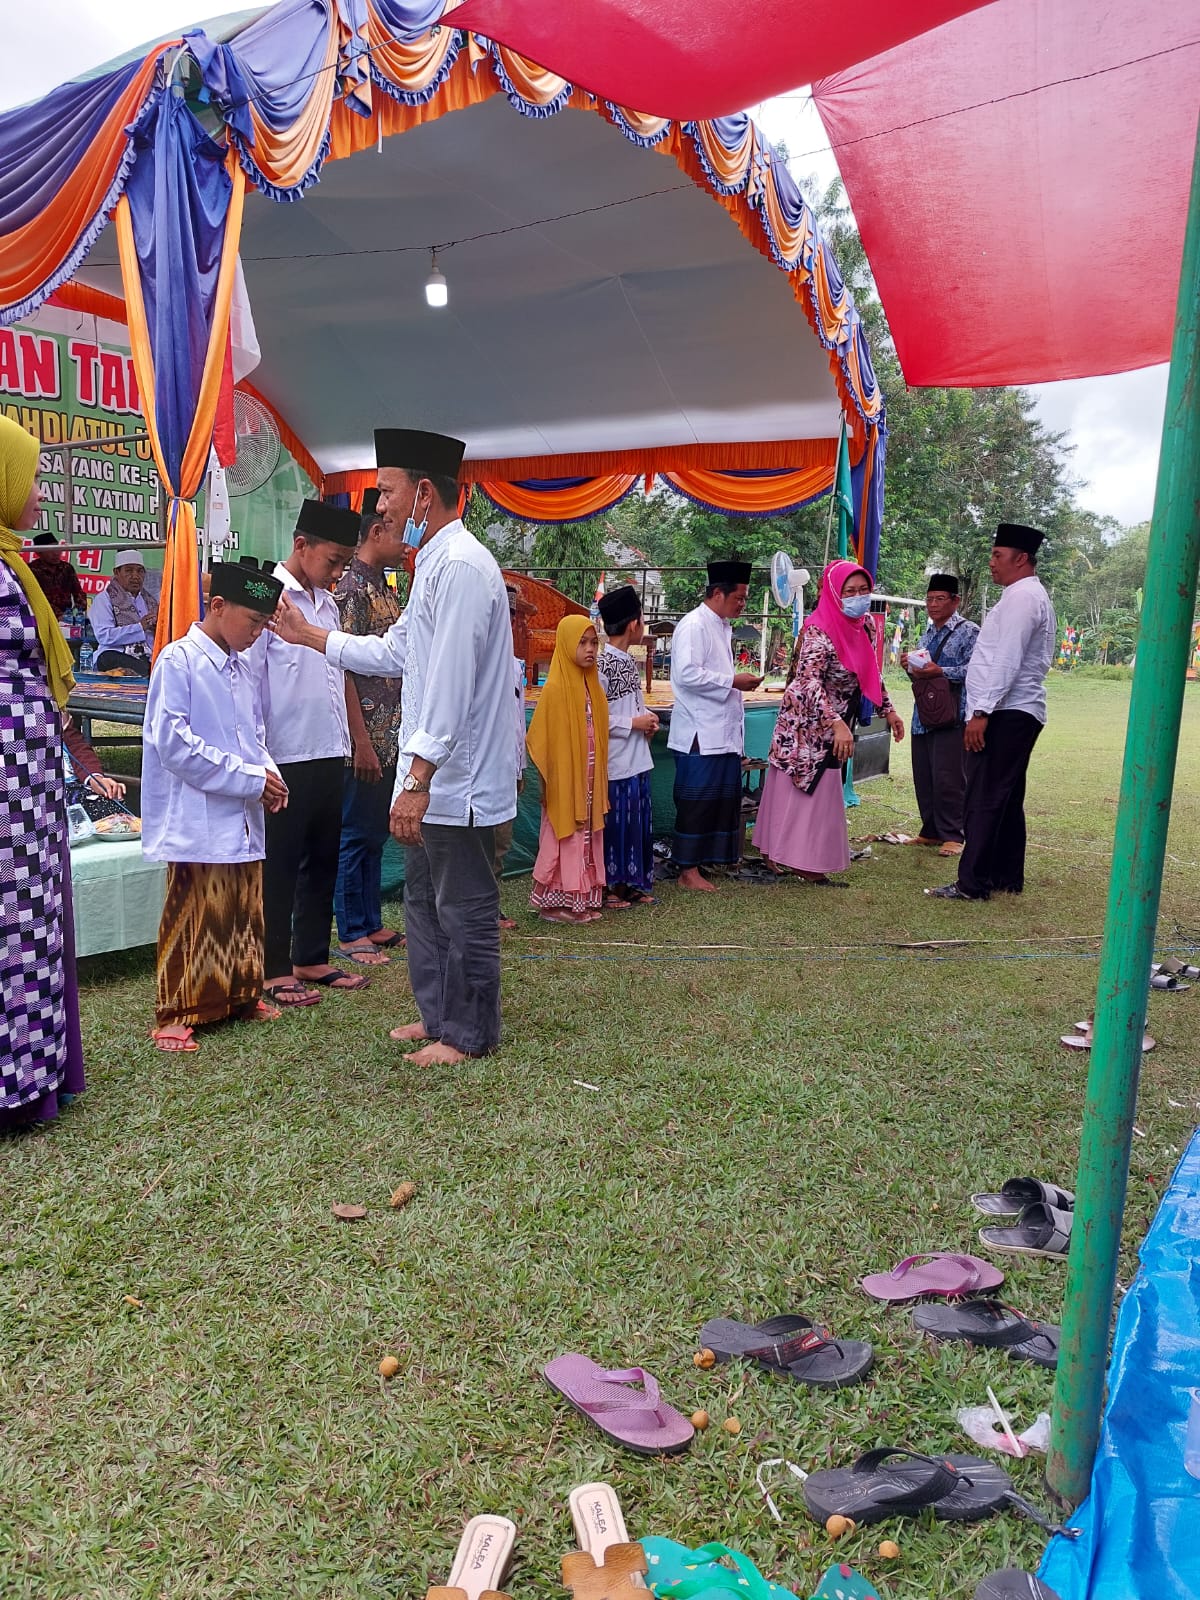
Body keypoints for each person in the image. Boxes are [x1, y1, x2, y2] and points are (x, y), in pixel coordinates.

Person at [271, 429, 516, 1066]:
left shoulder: (461, 567)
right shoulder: (434, 562)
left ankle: (470, 1033)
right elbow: (397, 654)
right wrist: (309, 637)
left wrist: (418, 777)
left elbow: (452, 685)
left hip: (453, 783)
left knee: (463, 908)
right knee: (424, 902)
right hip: (432, 777)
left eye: (386, 491)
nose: (378, 506)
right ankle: (438, 1017)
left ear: (424, 493)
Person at [141, 561, 287, 1052]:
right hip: (197, 813)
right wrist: (250, 778)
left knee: (243, 906)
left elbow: (254, 735)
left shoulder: (242, 668)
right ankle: (176, 1012)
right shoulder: (178, 661)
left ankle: (241, 996)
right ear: (218, 606)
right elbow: (174, 744)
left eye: (263, 624)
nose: (256, 632)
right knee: (195, 909)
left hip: (241, 809)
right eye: (252, 621)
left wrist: (270, 774)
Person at [0, 415, 86, 1130]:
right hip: (7, 795)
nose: (36, 494)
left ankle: (36, 1075)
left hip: (27, 788)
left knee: (32, 926)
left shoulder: (11, 562)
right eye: (27, 476)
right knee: (13, 930)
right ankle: (14, 1084)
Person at [253, 501, 368, 1004]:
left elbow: (337, 673)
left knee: (323, 857)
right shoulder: (265, 599)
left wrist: (355, 739)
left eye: (346, 562)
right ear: (301, 546)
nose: (340, 572)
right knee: (280, 862)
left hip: (328, 748)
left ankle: (311, 956)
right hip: (283, 751)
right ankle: (273, 967)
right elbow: (251, 681)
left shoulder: (330, 604)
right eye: (334, 560)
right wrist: (257, 755)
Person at [754, 559, 905, 884]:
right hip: (805, 725)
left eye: (863, 590)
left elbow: (868, 671)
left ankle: (791, 854)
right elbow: (806, 682)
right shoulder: (818, 630)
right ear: (834, 593)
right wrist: (835, 722)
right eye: (850, 591)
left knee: (818, 788)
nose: (858, 597)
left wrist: (888, 710)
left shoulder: (864, 626)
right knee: (805, 786)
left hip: (833, 723)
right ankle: (800, 861)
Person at [928, 523, 1056, 901]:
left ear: (1021, 559)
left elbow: (1006, 658)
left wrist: (981, 711)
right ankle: (1004, 875)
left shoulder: (1022, 598)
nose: (991, 563)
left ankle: (972, 883)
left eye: (998, 556)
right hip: (1016, 708)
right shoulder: (1023, 595)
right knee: (1006, 795)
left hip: (1007, 709)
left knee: (984, 795)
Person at [333, 489, 407, 963]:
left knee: (375, 831)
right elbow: (340, 667)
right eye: (398, 533)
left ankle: (372, 920)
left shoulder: (384, 585)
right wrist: (361, 740)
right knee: (355, 834)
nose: (405, 543)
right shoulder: (351, 591)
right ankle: (351, 929)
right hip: (364, 738)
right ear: (375, 532)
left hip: (391, 732)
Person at [668, 559, 762, 890]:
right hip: (699, 731)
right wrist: (733, 680)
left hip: (719, 730)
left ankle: (707, 860)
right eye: (740, 598)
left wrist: (733, 682)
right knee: (697, 802)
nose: (743, 604)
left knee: (719, 800)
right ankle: (687, 871)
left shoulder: (720, 625)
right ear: (718, 594)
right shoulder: (694, 625)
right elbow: (687, 674)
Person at [526, 616, 610, 923]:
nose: (589, 650)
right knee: (566, 834)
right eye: (582, 643)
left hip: (588, 779)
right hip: (566, 781)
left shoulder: (593, 686)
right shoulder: (556, 688)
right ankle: (553, 903)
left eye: (593, 643)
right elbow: (538, 738)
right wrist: (558, 776)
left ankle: (579, 900)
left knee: (585, 834)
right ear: (565, 645)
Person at [901, 573, 979, 856]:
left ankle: (953, 835)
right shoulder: (928, 631)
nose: (933, 605)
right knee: (924, 774)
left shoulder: (969, 631)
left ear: (955, 601)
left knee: (949, 777)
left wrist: (941, 671)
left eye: (940, 599)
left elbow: (977, 671)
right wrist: (909, 666)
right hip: (924, 715)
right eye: (930, 599)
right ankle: (931, 830)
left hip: (953, 714)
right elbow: (923, 674)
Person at [596, 584, 659, 907]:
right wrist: (633, 724)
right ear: (634, 623)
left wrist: (646, 718)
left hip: (636, 757)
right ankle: (607, 886)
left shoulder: (625, 660)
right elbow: (592, 717)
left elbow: (630, 706)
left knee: (634, 822)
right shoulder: (602, 663)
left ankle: (629, 883)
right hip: (617, 761)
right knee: (615, 824)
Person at [494, 583, 534, 929]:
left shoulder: (514, 663)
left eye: (513, 617)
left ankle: (489, 909)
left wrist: (519, 767)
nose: (512, 624)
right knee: (480, 846)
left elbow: (517, 721)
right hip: (481, 767)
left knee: (500, 844)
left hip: (506, 766)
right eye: (507, 616)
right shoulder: (475, 659)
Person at [88, 549, 157, 675]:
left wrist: (157, 628)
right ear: (116, 572)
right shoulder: (104, 599)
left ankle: (148, 670)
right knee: (108, 657)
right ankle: (147, 672)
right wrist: (140, 627)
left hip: (148, 657)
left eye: (140, 571)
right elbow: (104, 636)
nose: (135, 576)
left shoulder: (150, 601)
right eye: (129, 570)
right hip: (118, 654)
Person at [27, 531, 87, 619]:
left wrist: (78, 610)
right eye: (50, 550)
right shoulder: (31, 570)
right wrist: (58, 615)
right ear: (39, 553)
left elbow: (78, 592)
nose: (56, 553)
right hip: (42, 617)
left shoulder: (67, 568)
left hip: (66, 617)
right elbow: (34, 599)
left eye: (57, 548)